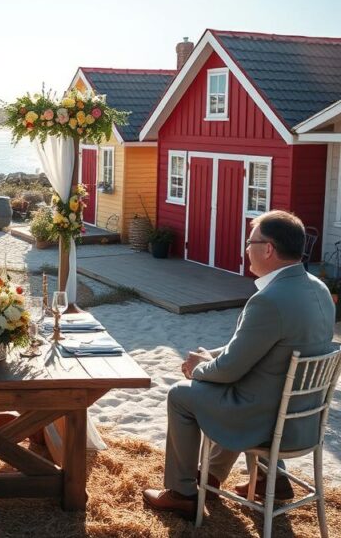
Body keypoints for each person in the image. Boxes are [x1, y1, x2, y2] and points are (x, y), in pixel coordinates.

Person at [143, 210, 335, 520]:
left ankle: (182, 493)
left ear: (268, 248)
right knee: (229, 385)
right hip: (303, 418)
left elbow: (232, 368)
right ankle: (263, 478)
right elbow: (257, 350)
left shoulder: (269, 301)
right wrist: (212, 357)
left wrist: (199, 368)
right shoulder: (319, 289)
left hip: (266, 420)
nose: (246, 249)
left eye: (250, 242)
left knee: (182, 394)